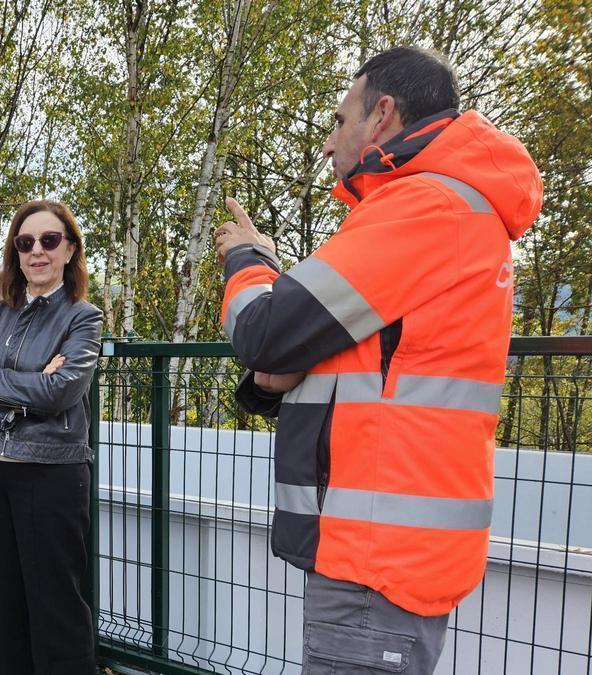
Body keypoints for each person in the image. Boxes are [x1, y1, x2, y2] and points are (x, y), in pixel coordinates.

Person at [214, 46, 543, 674]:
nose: (329, 141)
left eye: (340, 120)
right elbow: (352, 361)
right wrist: (275, 375)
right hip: (385, 553)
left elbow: (264, 333)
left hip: (376, 560)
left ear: (382, 114)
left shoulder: (424, 208)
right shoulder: (443, 207)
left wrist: (249, 259)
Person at [0, 200, 103, 674]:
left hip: (51, 474)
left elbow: (60, 392)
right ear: (15, 251)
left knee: (55, 608)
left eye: (49, 240)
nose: (37, 251)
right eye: (25, 241)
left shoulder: (83, 317)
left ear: (70, 250)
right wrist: (18, 399)